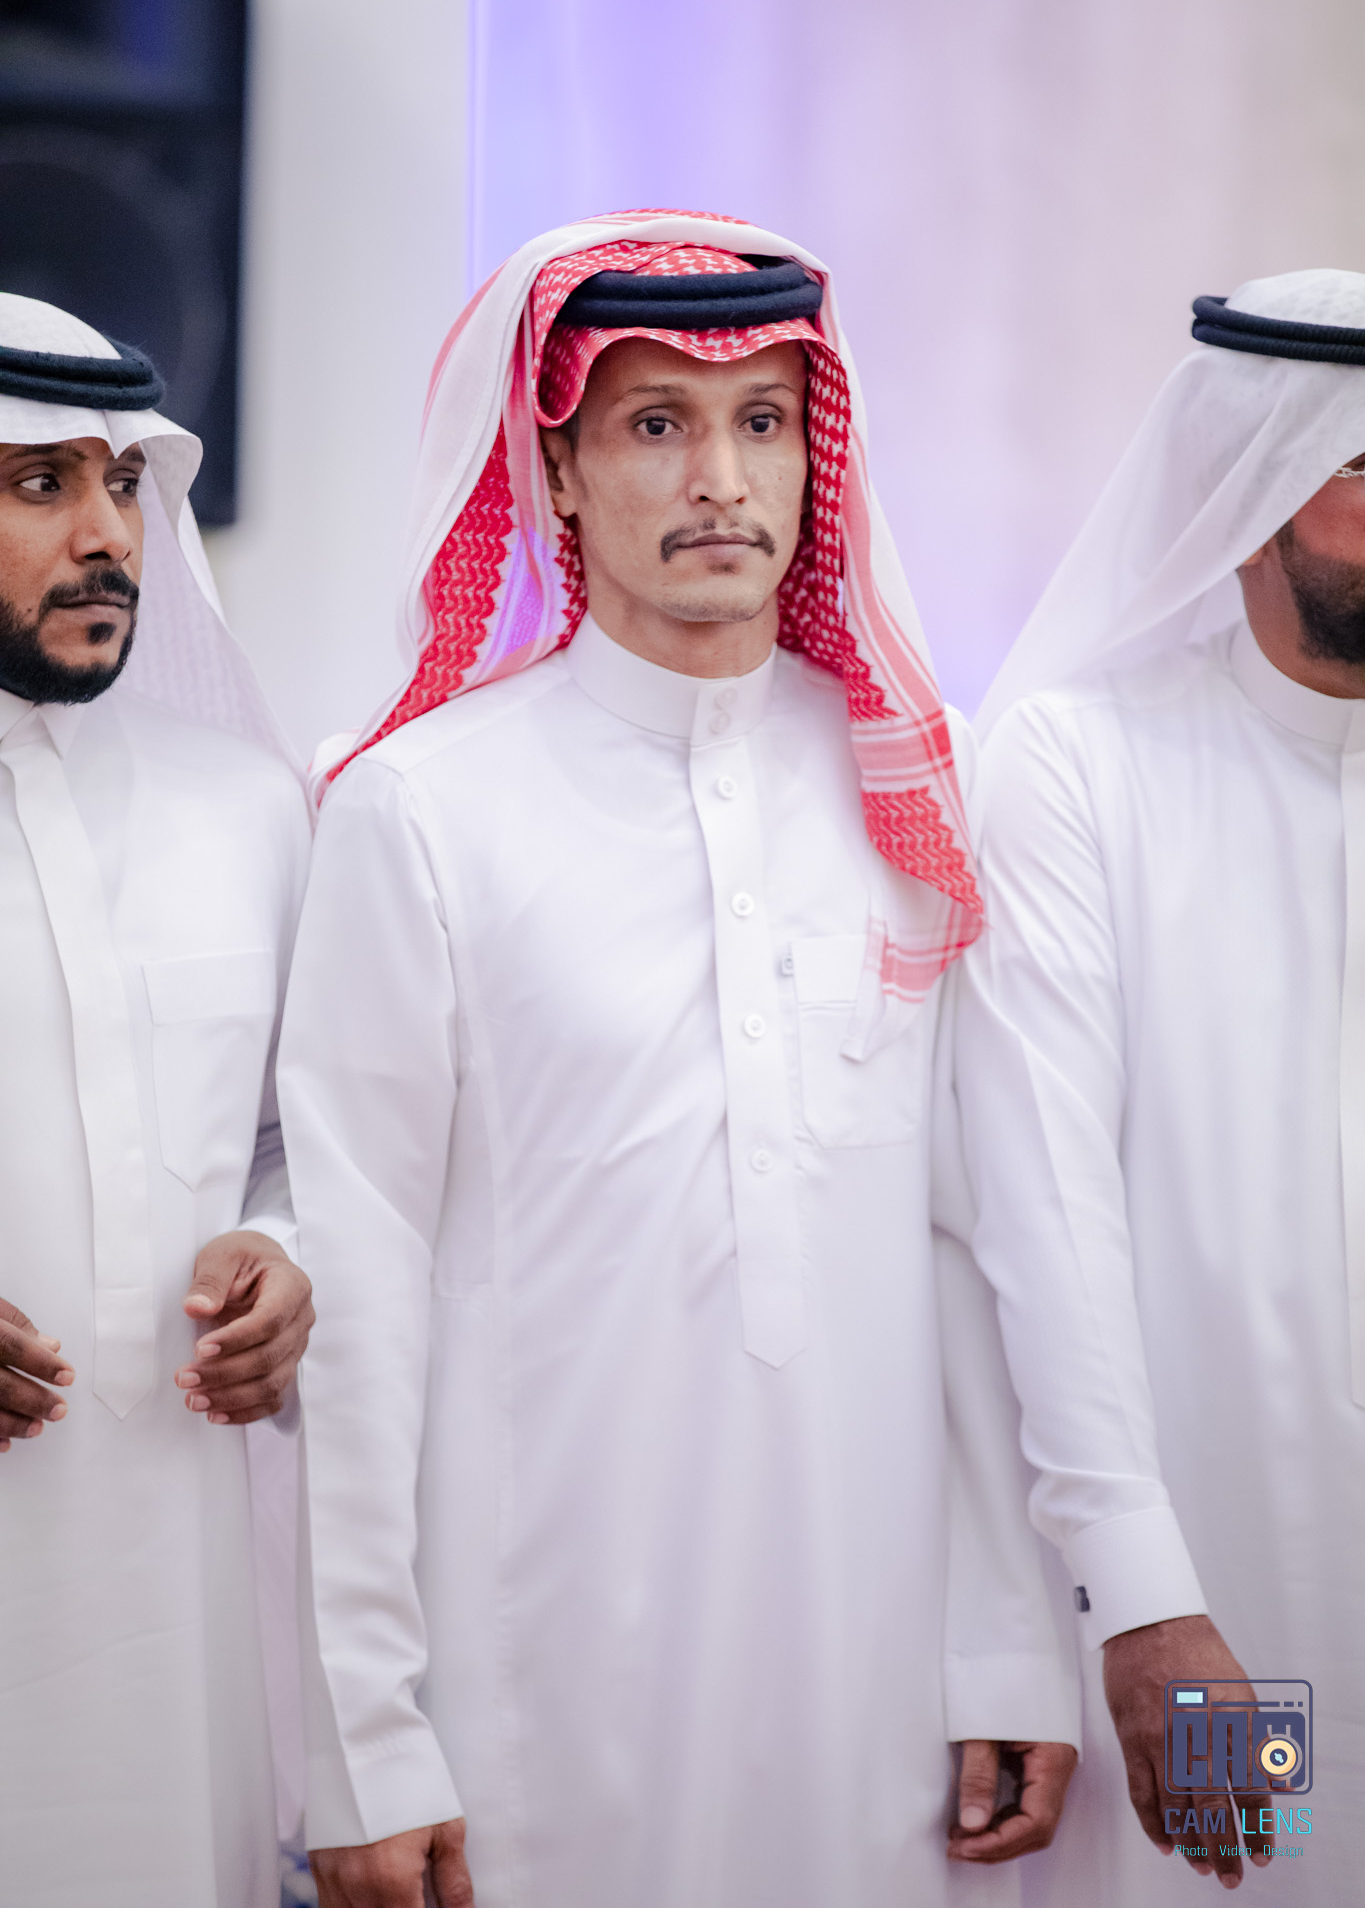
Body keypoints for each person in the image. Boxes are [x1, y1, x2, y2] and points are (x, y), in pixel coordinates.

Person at [280, 212, 1078, 1908]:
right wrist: (365, 1738)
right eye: (656, 422)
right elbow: (361, 1294)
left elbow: (971, 1248)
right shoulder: (419, 808)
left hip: (871, 1674)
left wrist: (1007, 1642)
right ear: (557, 472)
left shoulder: (910, 787)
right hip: (529, 1673)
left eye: (762, 421)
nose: (720, 478)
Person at [956, 268, 1365, 1902]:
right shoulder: (1082, 763)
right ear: (1251, 494)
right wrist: (1144, 1598)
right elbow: (1043, 1205)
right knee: (1257, 1875)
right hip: (1219, 1600)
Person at [0, 294, 315, 1907]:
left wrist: (288, 1251)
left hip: (181, 1600)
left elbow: (305, 1143)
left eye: (123, 481)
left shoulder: (248, 810)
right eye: (39, 483)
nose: (106, 534)